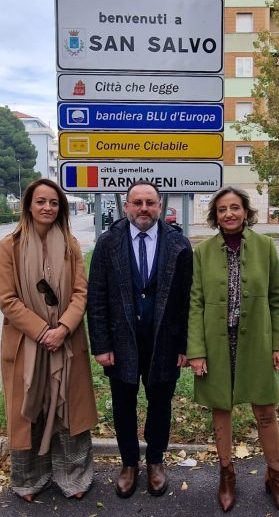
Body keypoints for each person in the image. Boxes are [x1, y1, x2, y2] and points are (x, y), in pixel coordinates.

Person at [187, 186, 279, 516]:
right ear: (215, 216)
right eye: (222, 209)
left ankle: (275, 476)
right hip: (217, 343)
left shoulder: (265, 246)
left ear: (246, 212)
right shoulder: (203, 252)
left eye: (235, 207)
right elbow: (195, 303)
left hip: (256, 341)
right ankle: (226, 475)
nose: (229, 214)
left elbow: (276, 298)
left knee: (265, 410)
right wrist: (196, 350)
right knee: (221, 408)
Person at [88, 181, 193, 499]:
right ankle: (129, 463)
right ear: (126, 207)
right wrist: (101, 344)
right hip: (121, 342)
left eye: (150, 202)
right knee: (123, 405)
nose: (144, 208)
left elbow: (188, 299)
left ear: (160, 206)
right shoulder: (108, 242)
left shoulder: (179, 243)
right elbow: (97, 296)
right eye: (137, 202)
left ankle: (156, 461)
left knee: (161, 404)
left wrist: (185, 345)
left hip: (165, 342)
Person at [0, 178, 97, 502]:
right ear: (29, 205)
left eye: (54, 203)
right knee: (30, 409)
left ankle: (75, 476)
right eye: (41, 201)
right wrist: (42, 331)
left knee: (70, 411)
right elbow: (7, 299)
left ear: (61, 208)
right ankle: (28, 479)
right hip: (27, 343)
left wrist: (63, 328)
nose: (47, 208)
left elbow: (80, 292)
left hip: (66, 341)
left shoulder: (71, 245)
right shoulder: (10, 246)